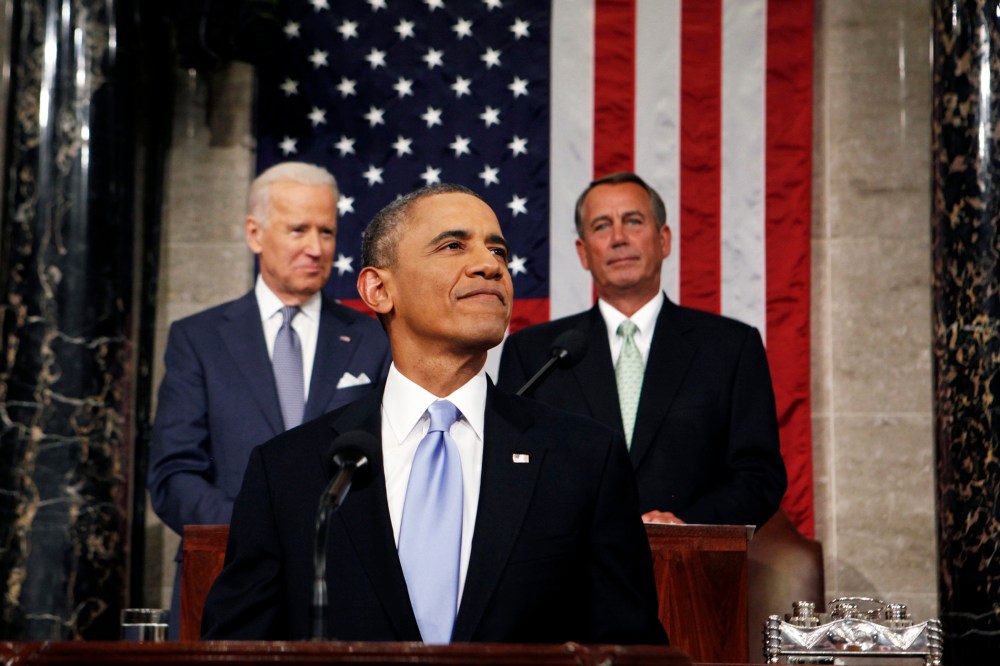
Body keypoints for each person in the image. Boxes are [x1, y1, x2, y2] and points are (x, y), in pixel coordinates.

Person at [201, 183, 668, 644]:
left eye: (499, 252)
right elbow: (237, 654)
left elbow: (631, 654)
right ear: (378, 289)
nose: (490, 266)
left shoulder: (584, 459)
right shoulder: (289, 471)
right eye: (453, 245)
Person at [148, 162, 391, 636]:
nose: (316, 248)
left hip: (343, 586)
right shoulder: (197, 339)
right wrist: (261, 531)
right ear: (254, 233)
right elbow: (174, 474)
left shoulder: (374, 338)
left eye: (327, 231)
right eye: (298, 229)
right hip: (224, 579)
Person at [498, 172, 786, 528]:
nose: (619, 238)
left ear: (664, 240)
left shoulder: (731, 348)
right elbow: (511, 468)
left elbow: (759, 475)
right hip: (569, 573)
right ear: (583, 252)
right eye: (602, 226)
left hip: (687, 569)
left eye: (633, 221)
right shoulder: (535, 353)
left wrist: (685, 527)